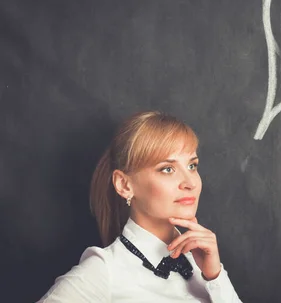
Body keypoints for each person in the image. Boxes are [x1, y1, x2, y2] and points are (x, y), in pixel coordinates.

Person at [38, 111, 242, 302]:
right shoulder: (105, 270)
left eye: (192, 165)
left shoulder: (203, 264)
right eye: (167, 169)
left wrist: (215, 277)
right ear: (124, 185)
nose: (190, 182)